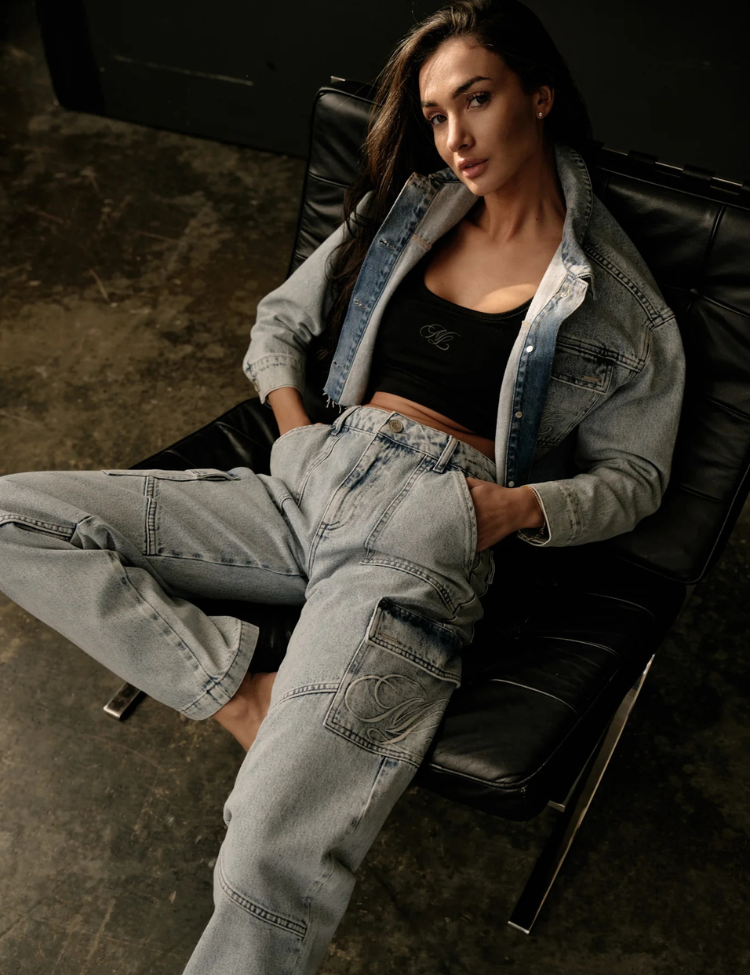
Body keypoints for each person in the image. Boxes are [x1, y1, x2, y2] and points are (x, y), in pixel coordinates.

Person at [0, 1, 684, 972]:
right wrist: (298, 438)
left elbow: (637, 478)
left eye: (476, 100)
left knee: (264, 857)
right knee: (16, 515)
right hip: (314, 477)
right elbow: (279, 324)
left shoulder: (619, 303)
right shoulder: (407, 211)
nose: (454, 137)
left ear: (538, 96)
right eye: (437, 115)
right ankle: (241, 690)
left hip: (426, 529)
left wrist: (508, 509)